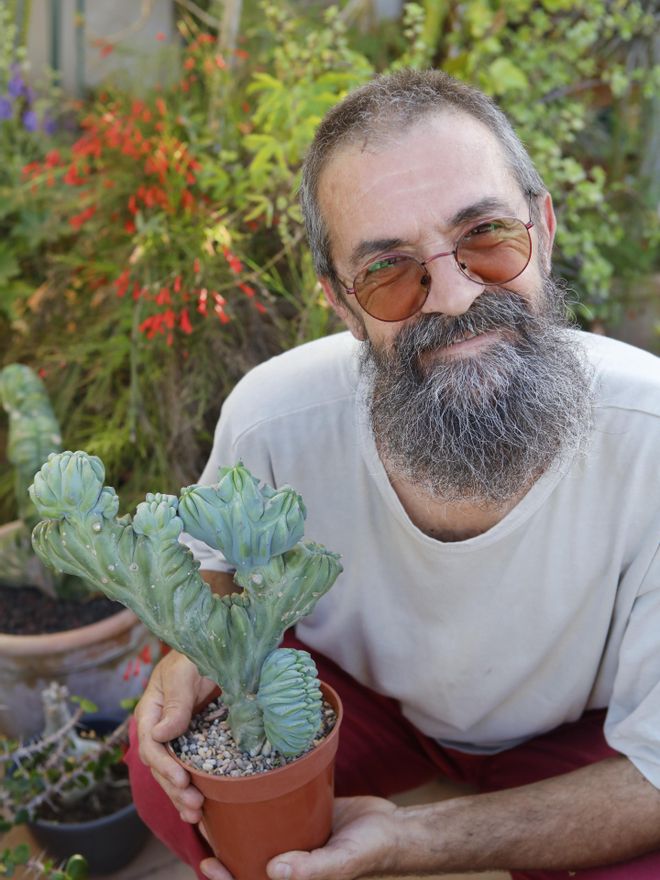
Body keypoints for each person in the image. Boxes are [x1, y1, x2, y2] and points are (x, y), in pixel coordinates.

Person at [126, 69, 660, 880]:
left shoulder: (651, 436)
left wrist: (418, 843)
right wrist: (197, 652)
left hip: (577, 735)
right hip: (364, 707)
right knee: (170, 778)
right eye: (388, 270)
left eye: (486, 234)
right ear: (340, 303)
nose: (450, 296)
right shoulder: (274, 418)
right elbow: (213, 570)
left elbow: (655, 776)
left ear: (543, 229)